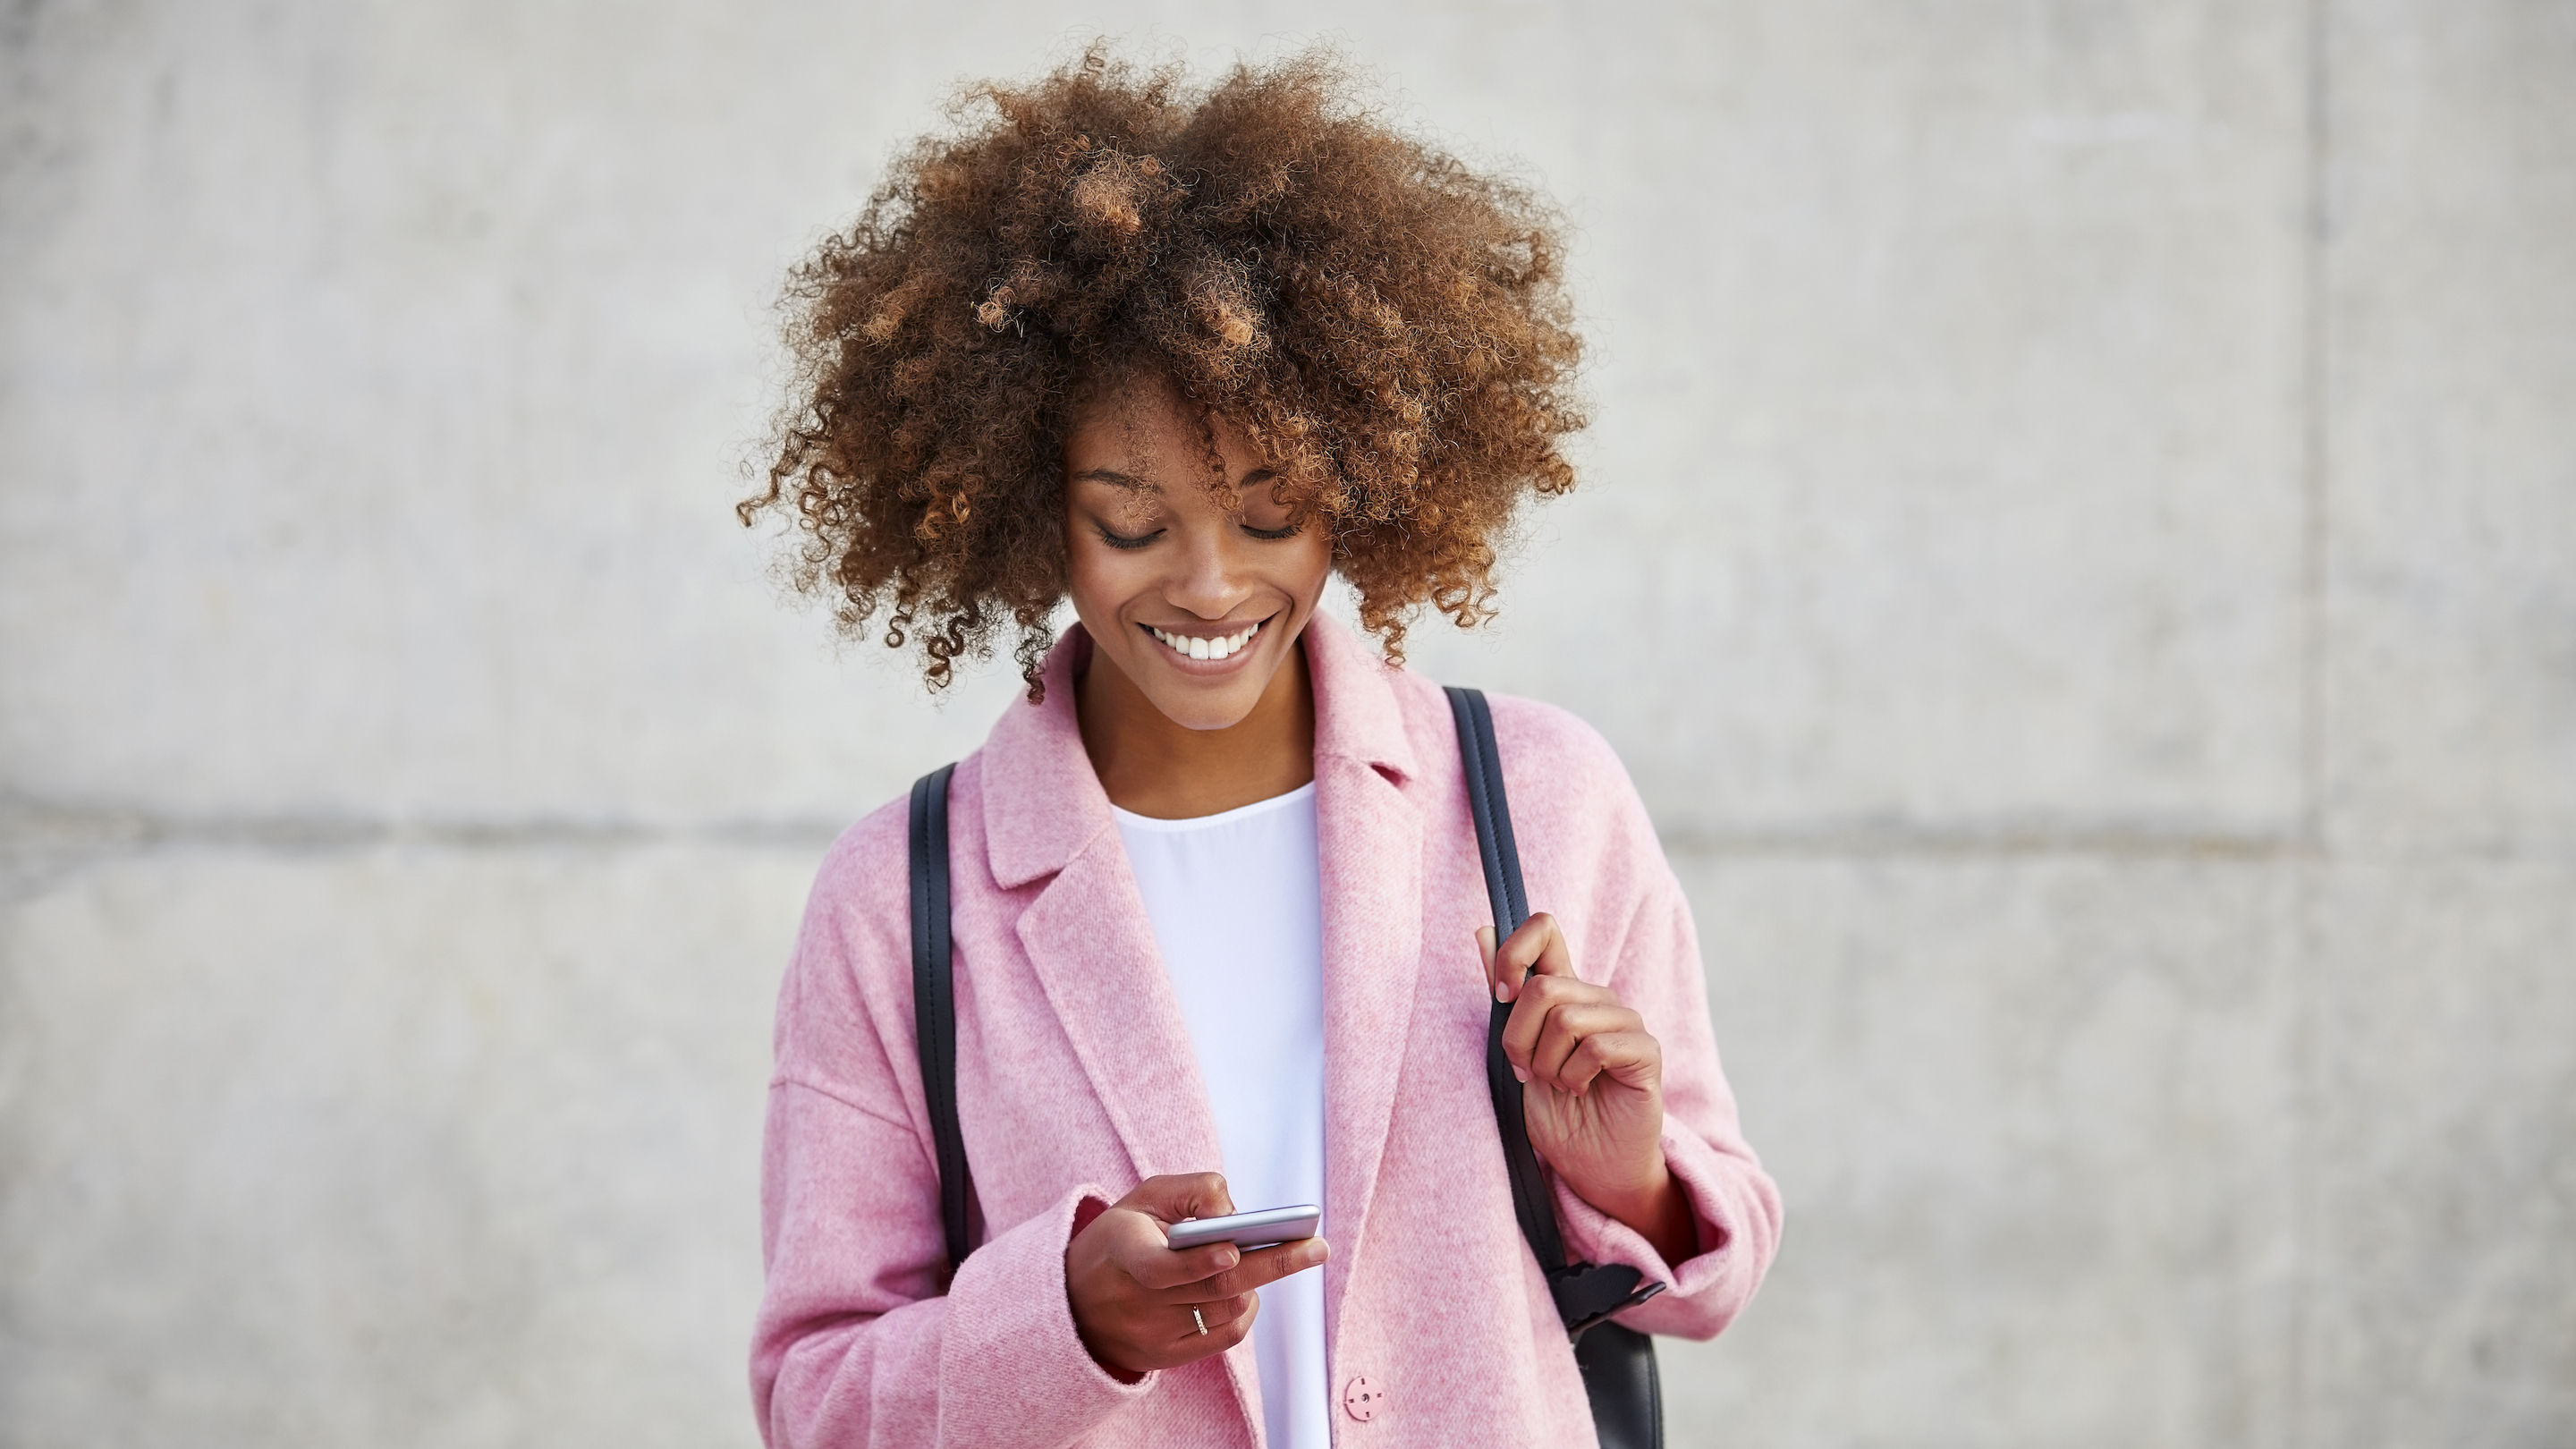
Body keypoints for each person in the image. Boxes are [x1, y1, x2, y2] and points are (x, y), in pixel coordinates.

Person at [741, 46, 1781, 1449]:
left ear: (1361, 477)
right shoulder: (897, 902)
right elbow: (816, 1398)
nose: (1213, 585)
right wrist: (1063, 1321)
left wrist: (1634, 1180)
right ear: (1025, 504)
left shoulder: (1537, 801)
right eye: (1130, 522)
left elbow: (1712, 1268)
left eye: (1272, 511)